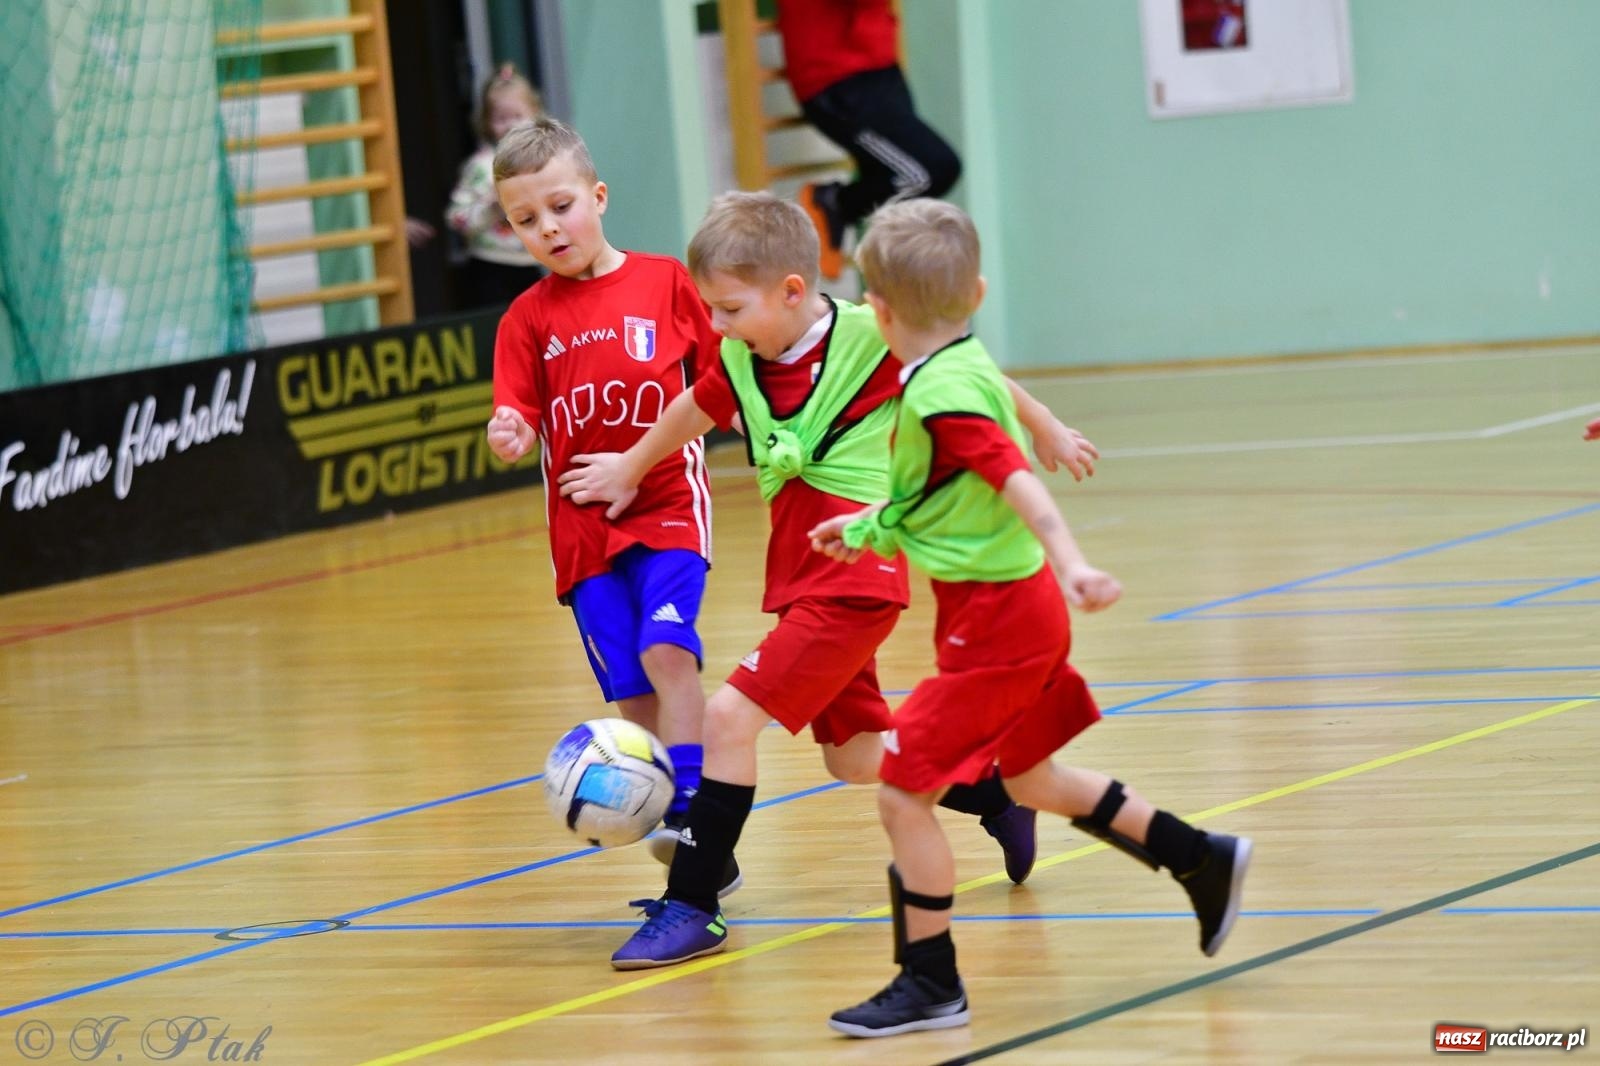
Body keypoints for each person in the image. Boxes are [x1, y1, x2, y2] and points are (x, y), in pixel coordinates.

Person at [557, 191, 1100, 970]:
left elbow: (959, 370)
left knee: (727, 720)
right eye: (709, 309)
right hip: (803, 572)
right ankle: (994, 793)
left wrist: (1042, 424)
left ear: (791, 290)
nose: (717, 326)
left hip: (859, 572)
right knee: (852, 756)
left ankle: (695, 905)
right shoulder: (742, 355)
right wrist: (629, 466)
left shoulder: (865, 335)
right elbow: (695, 407)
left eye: (730, 309)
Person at [809, 199, 1253, 1038]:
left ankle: (930, 981)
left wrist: (1073, 558)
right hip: (1016, 615)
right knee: (1030, 780)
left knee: (905, 793)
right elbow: (935, 491)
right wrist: (866, 525)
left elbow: (1014, 480)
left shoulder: (944, 396)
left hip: (1000, 626)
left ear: (878, 311)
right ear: (974, 293)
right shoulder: (963, 361)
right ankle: (1201, 858)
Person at [484, 117, 728, 888]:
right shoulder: (525, 320)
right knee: (631, 692)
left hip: (664, 505)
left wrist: (637, 460)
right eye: (527, 220)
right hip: (583, 535)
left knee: (667, 648)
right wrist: (510, 429)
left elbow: (721, 388)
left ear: (598, 195)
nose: (549, 228)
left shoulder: (666, 283)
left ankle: (693, 813)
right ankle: (694, 844)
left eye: (561, 206)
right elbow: (516, 410)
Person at [775, 0, 962, 280]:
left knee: (917, 181)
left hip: (876, 64)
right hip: (836, 76)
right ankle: (836, 203)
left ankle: (843, 212)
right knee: (930, 172)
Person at [447, 64, 546, 307]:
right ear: (487, 123)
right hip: (490, 264)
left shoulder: (542, 163)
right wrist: (491, 207)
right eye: (501, 119)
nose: (511, 125)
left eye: (518, 117)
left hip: (530, 262)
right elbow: (457, 218)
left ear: (534, 116)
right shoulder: (481, 167)